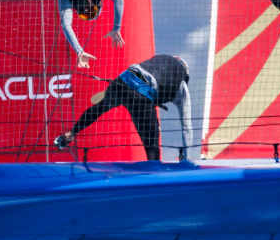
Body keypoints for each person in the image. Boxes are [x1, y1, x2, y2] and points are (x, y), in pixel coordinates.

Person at [53, 54, 192, 162]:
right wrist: (186, 157)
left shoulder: (162, 58)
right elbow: (187, 127)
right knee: (152, 143)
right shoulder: (182, 86)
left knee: (99, 108)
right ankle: (154, 173)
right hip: (142, 94)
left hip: (124, 78)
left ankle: (71, 133)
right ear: (185, 77)